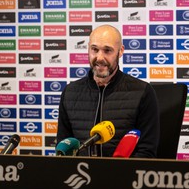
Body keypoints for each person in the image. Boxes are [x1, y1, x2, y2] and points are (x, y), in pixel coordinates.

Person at [57, 24, 160, 157]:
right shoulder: (70, 92)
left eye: (107, 51)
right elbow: (64, 148)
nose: (99, 58)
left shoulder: (143, 92)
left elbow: (147, 151)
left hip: (124, 175)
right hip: (79, 175)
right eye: (94, 49)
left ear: (120, 51)